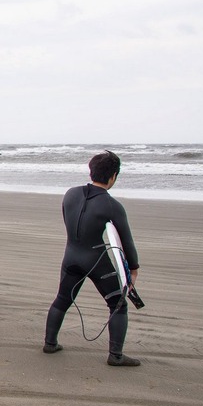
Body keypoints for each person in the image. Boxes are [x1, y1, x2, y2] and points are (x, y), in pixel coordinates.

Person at [43, 150, 141, 366]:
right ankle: (116, 356)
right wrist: (133, 269)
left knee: (62, 299)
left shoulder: (70, 194)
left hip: (71, 257)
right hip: (96, 260)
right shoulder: (112, 206)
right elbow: (126, 241)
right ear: (113, 176)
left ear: (91, 171)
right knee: (118, 304)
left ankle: (50, 343)